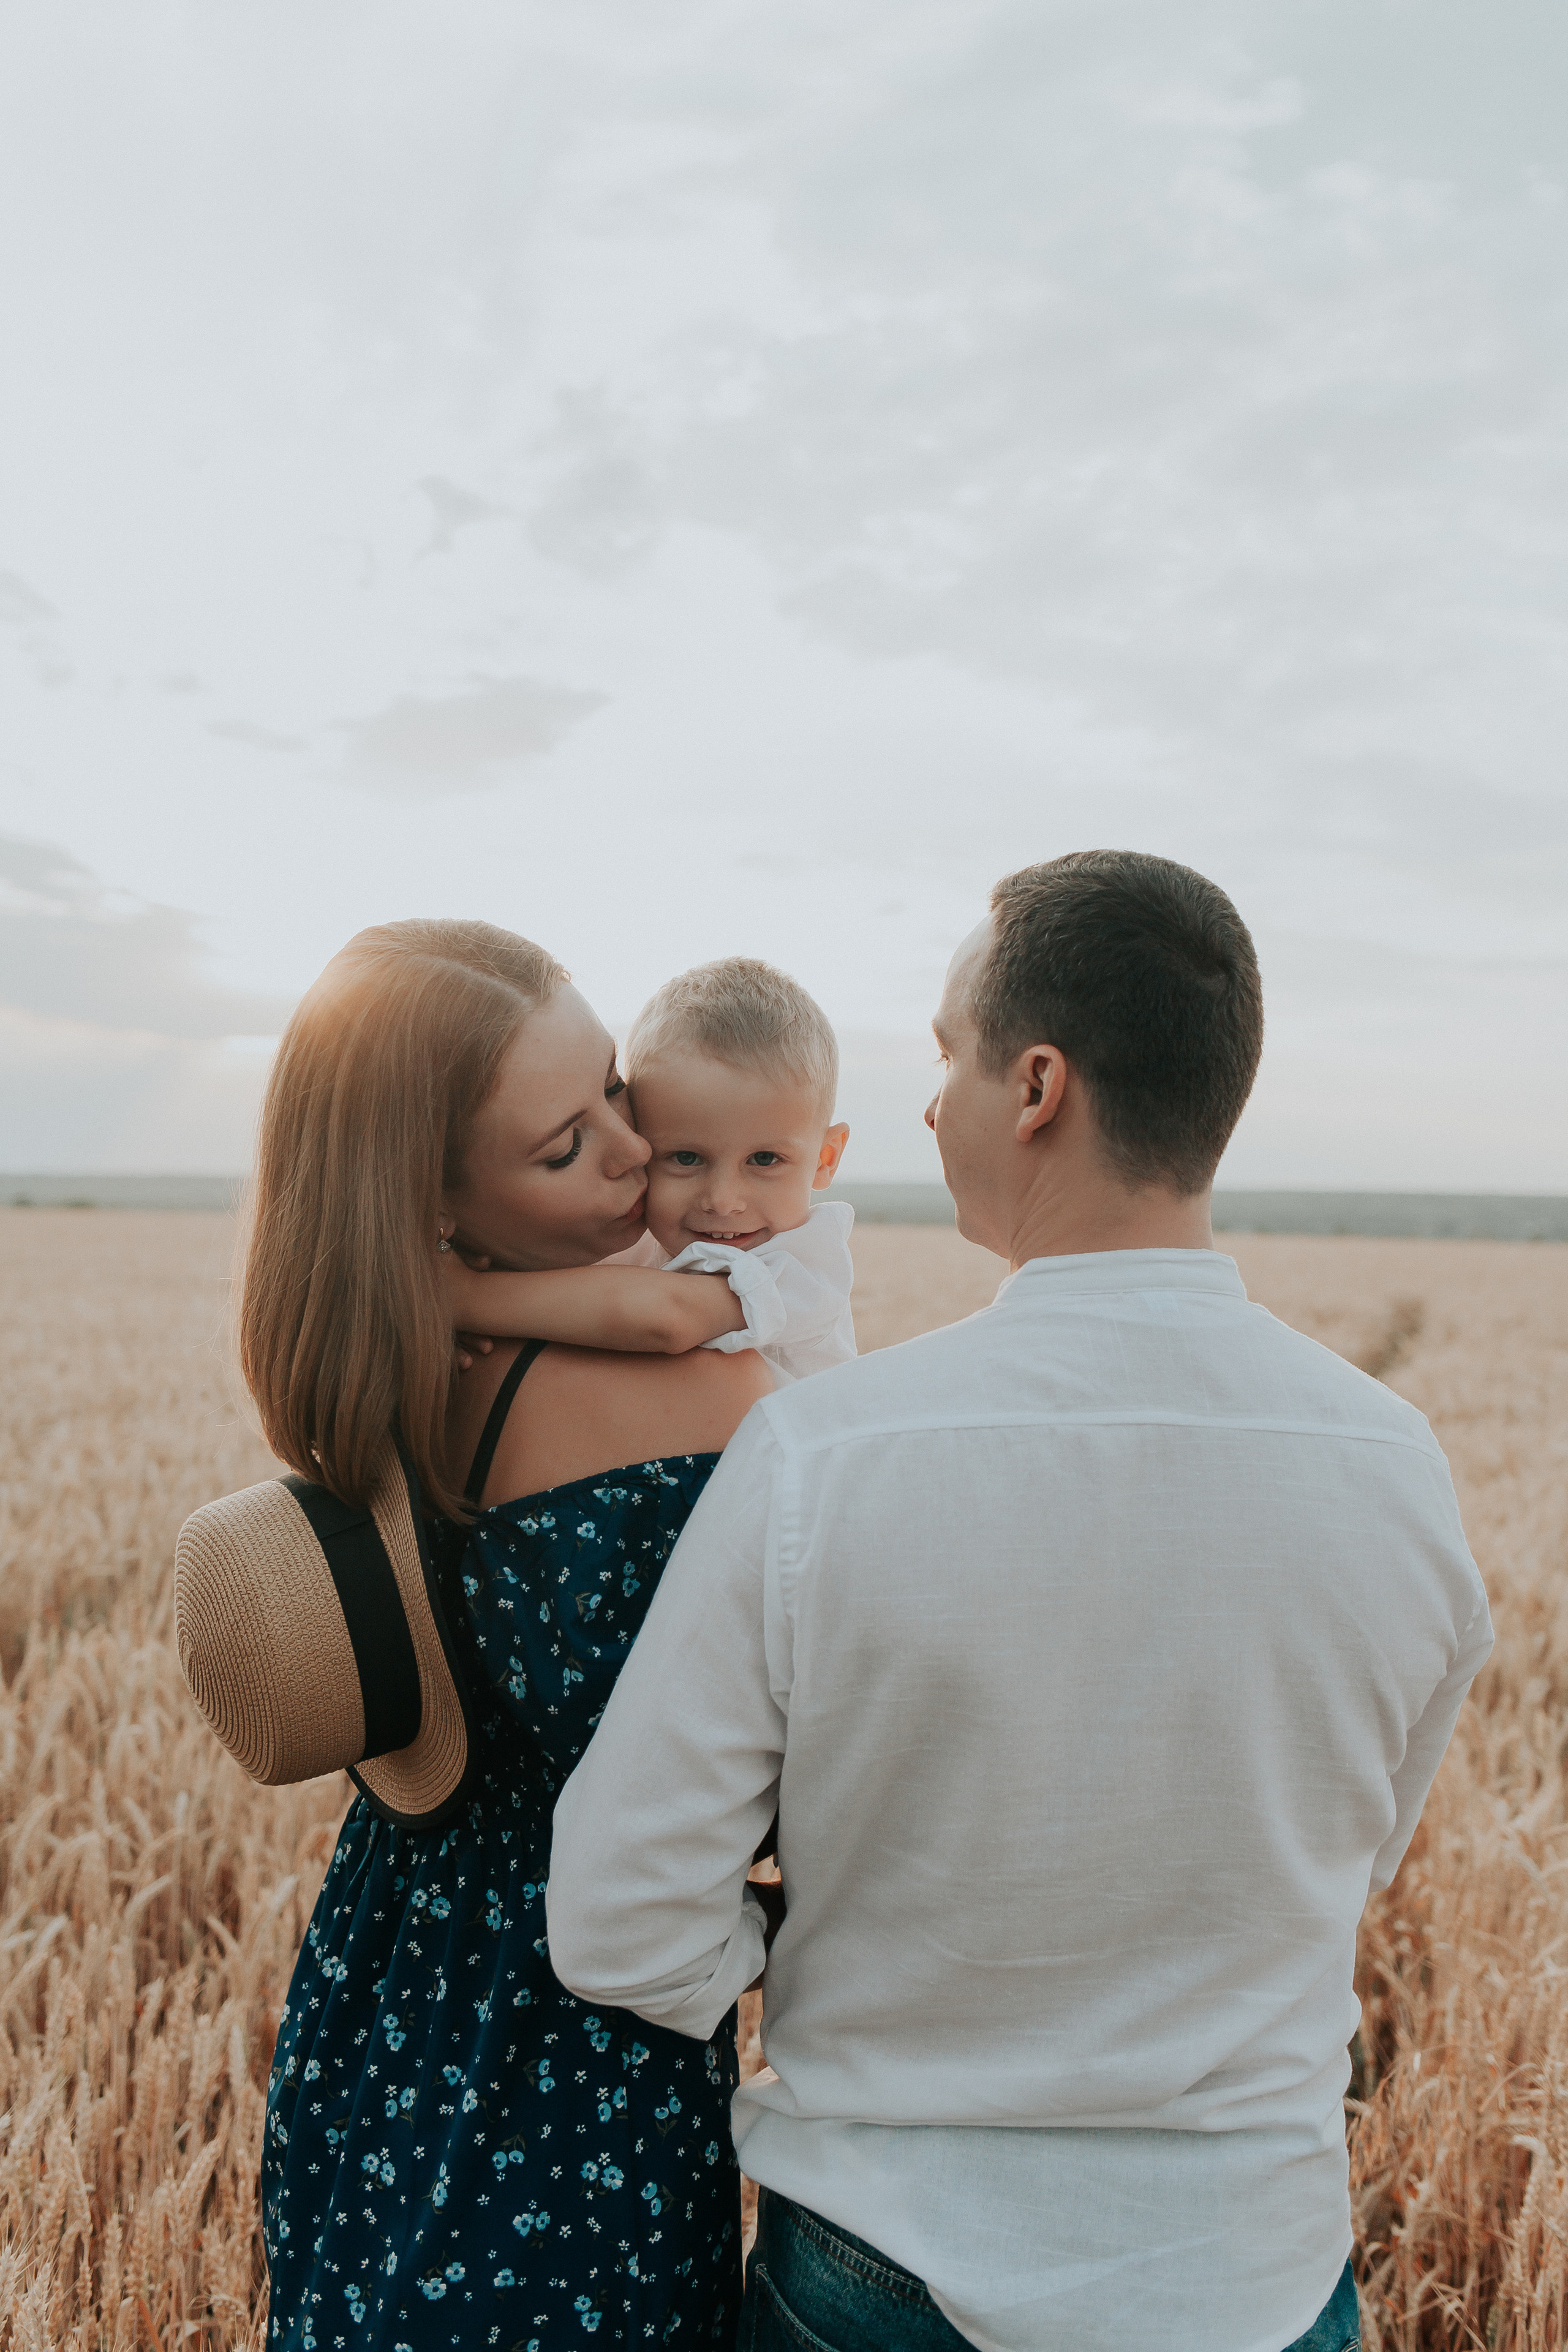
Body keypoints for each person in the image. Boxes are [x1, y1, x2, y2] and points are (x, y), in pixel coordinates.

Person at [545, 851, 1493, 2352]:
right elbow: (1340, 1852)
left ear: (1034, 1083)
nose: (928, 1106)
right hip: (1252, 2277)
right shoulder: (1393, 1469)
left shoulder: (821, 1456)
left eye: (944, 1053)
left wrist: (815, 1947)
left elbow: (615, 1922)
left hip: (882, 2272)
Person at [245, 919, 774, 2351]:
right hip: (566, 2052)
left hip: (382, 1994)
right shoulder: (696, 1403)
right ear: (432, 1203)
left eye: (614, 1087)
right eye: (562, 1147)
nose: (630, 1150)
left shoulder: (384, 1362)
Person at [439, 957, 856, 1386]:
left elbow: (668, 1318)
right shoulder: (646, 1251)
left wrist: (466, 1298)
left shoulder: (805, 1265)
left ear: (825, 1159)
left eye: (765, 1160)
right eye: (686, 1158)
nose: (723, 1201)